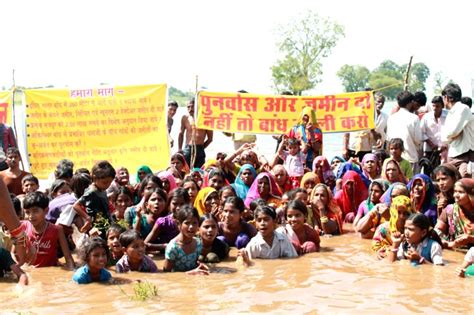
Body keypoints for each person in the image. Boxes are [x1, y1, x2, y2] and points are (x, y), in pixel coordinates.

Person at [18, 191, 74, 268]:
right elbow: (13, 253)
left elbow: (68, 258)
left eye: (35, 211)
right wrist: (20, 268)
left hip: (50, 269)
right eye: (27, 212)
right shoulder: (23, 227)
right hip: (29, 269)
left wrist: (71, 272)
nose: (31, 216)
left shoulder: (57, 230)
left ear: (46, 211)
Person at [73, 161, 115, 238]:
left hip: (106, 222)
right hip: (97, 225)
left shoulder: (102, 189)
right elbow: (76, 206)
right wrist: (87, 218)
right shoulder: (91, 192)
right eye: (105, 182)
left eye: (110, 182)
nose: (108, 185)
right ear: (95, 178)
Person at [440, 83, 474, 178]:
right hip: (454, 154)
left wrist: (452, 135)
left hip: (465, 155)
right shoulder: (451, 113)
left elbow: (452, 132)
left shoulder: (463, 108)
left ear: (446, 97)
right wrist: (452, 136)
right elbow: (445, 138)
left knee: (465, 182)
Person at [163, 205, 209, 274]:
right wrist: (189, 273)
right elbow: (166, 274)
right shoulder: (173, 247)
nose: (191, 227)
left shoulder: (198, 243)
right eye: (187, 223)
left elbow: (194, 264)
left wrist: (200, 265)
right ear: (179, 224)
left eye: (194, 223)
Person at [386, 91, 422, 174]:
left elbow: (388, 139)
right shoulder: (414, 118)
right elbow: (418, 140)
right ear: (410, 103)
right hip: (410, 158)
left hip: (394, 160)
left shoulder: (391, 118)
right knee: (410, 184)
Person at [145, 188, 190, 252]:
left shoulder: (191, 222)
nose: (178, 208)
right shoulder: (163, 222)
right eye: (175, 204)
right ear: (169, 204)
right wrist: (165, 246)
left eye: (182, 204)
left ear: (188, 204)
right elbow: (145, 245)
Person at [434, 178, 474, 249]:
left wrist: (471, 239)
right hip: (456, 252)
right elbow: (437, 231)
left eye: (461, 192)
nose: (456, 195)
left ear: (471, 194)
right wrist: (444, 242)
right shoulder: (450, 210)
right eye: (455, 191)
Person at [178, 98, 213, 169]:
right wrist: (180, 149)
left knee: (199, 170)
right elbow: (181, 134)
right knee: (185, 169)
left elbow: (210, 139)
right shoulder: (185, 118)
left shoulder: (205, 119)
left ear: (197, 107)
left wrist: (201, 148)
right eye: (188, 107)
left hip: (199, 148)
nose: (190, 109)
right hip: (188, 148)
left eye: (192, 106)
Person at [420, 96, 447, 165]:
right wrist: (431, 144)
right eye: (433, 106)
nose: (435, 108)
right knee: (428, 170)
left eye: (437, 106)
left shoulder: (448, 115)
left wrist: (445, 145)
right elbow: (421, 132)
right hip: (430, 150)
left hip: (445, 150)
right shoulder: (426, 117)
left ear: (442, 106)